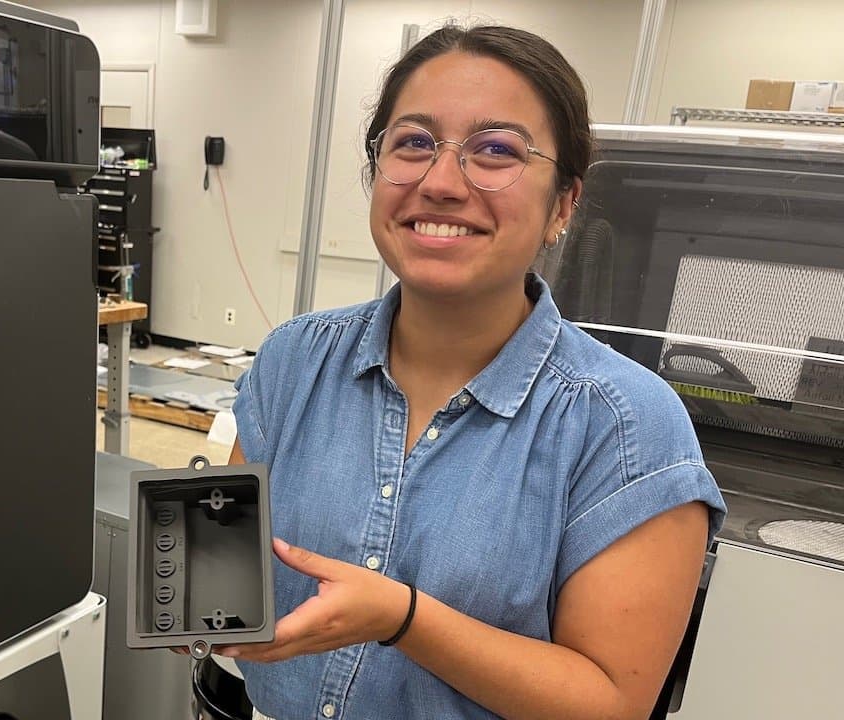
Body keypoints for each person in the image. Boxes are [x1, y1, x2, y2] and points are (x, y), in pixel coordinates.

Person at [220, 24, 727, 720]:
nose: (440, 182)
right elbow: (220, 560)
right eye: (413, 143)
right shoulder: (296, 359)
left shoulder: (626, 424)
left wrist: (404, 620)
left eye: (496, 151)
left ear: (564, 205)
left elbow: (611, 703)